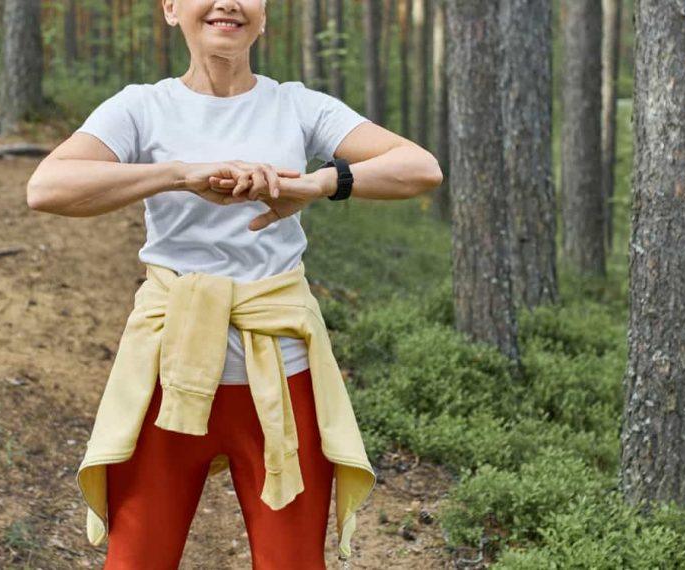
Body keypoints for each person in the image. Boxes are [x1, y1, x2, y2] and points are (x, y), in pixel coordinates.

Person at [26, 0, 442, 568]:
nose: (227, 2)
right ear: (171, 8)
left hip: (281, 376)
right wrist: (181, 174)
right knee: (138, 559)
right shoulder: (142, 108)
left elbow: (420, 167)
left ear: (264, 14)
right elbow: (47, 187)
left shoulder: (297, 105)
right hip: (166, 372)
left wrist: (317, 184)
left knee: (291, 561)